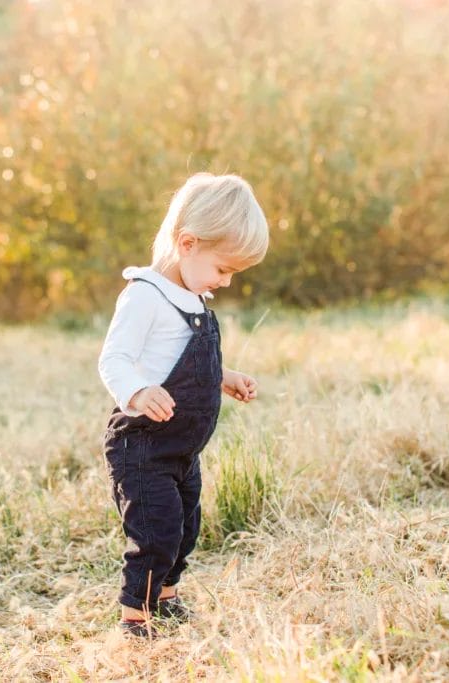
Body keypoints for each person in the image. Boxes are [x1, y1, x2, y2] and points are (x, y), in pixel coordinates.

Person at [97, 172, 270, 637]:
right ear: (188, 243)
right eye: (223, 269)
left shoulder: (193, 296)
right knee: (155, 531)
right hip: (143, 445)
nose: (226, 282)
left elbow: (182, 360)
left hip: (182, 449)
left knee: (185, 527)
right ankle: (135, 617)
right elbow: (114, 359)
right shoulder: (145, 295)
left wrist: (224, 377)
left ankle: (166, 597)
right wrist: (137, 392)